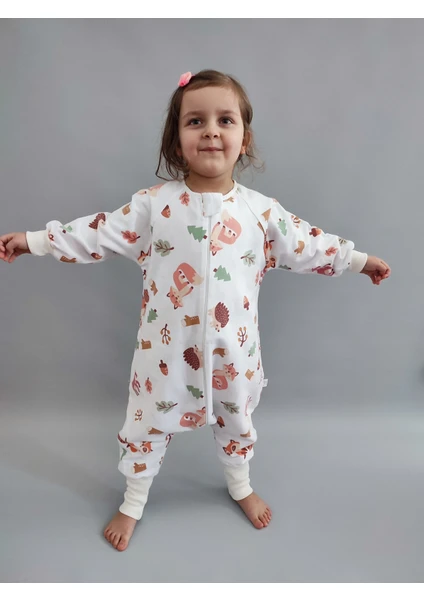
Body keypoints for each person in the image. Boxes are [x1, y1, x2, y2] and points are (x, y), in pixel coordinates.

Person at [0, 69, 391, 552]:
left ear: (244, 139)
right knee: (145, 423)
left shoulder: (260, 212)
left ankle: (240, 485)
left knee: (238, 420)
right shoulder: (153, 207)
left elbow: (309, 243)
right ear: (176, 142)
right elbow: (95, 232)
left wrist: (358, 260)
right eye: (195, 121)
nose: (210, 131)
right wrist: (35, 241)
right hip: (164, 354)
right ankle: (134, 499)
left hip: (234, 356)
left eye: (225, 120)